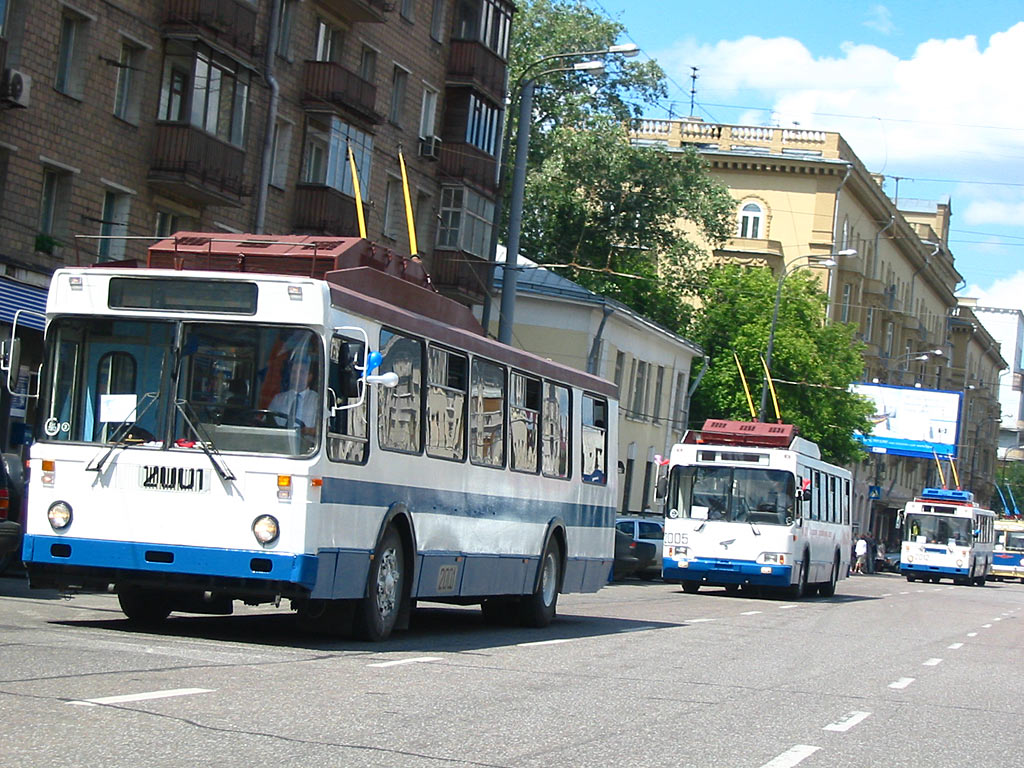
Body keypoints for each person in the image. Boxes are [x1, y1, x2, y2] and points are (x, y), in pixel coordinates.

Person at [269, 355, 318, 429]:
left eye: (301, 372)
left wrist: (306, 431)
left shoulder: (317, 400)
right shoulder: (278, 399)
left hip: (308, 440)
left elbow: (325, 429)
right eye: (294, 372)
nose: (297, 376)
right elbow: (267, 423)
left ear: (310, 377)